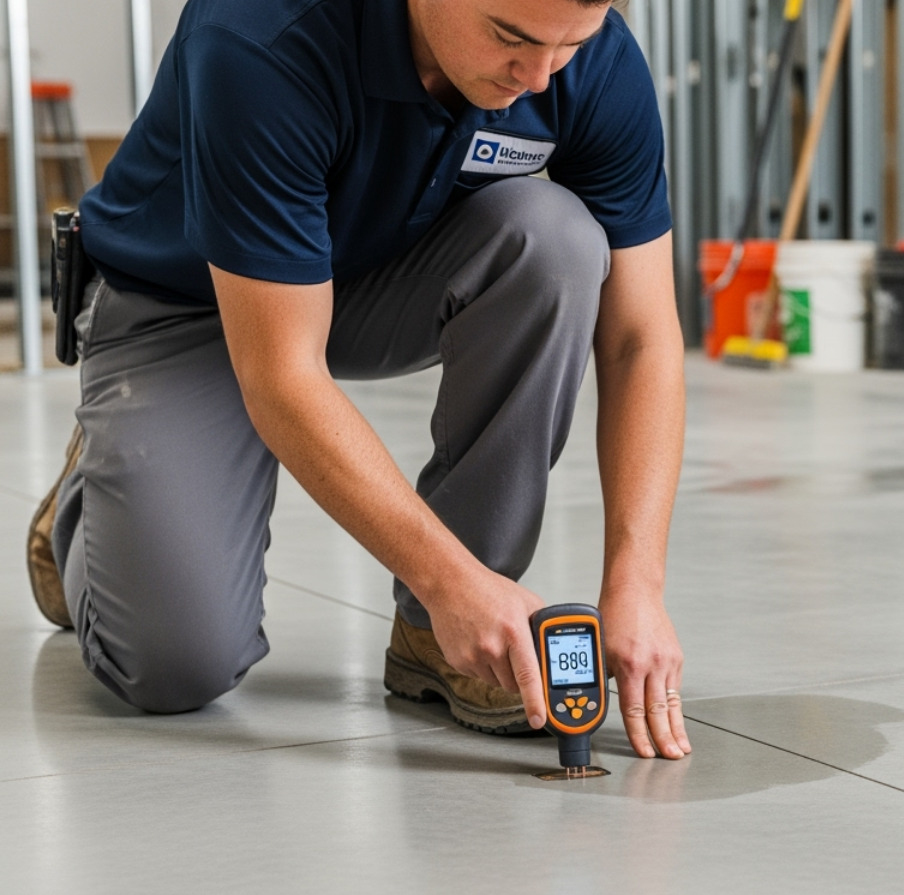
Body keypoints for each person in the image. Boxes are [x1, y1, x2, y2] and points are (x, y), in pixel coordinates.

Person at [25, 0, 691, 761]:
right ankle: (88, 499)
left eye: (567, 45)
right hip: (185, 305)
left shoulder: (590, 59)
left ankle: (438, 634)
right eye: (509, 37)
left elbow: (641, 338)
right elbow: (281, 374)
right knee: (173, 667)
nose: (538, 75)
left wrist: (637, 581)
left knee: (557, 242)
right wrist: (445, 578)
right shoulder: (261, 34)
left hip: (367, 279)